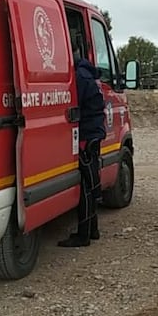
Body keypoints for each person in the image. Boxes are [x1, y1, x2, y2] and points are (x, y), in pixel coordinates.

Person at [58, 46, 107, 247]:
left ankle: (83, 235)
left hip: (86, 133)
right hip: (94, 131)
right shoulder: (89, 74)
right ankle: (92, 230)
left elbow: (72, 102)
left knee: (87, 186)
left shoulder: (79, 76)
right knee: (91, 181)